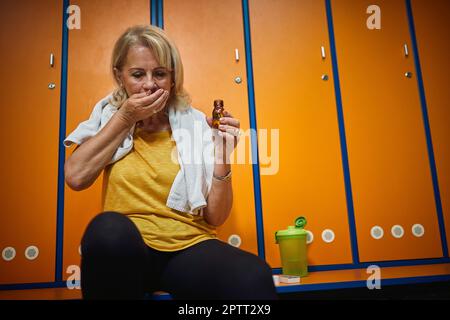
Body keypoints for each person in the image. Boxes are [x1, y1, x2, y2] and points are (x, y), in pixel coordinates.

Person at [64, 25, 277, 300]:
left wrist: (223, 155)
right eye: (138, 74)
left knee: (254, 276)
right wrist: (126, 117)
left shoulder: (197, 124)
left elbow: (215, 217)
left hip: (187, 249)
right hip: (128, 252)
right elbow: (76, 177)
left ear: (173, 78)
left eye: (160, 74)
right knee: (107, 230)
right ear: (120, 76)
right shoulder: (109, 120)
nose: (150, 84)